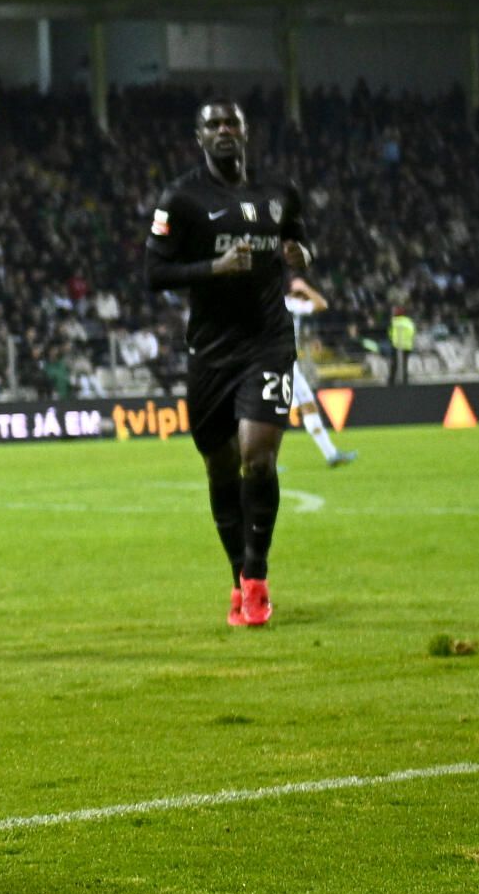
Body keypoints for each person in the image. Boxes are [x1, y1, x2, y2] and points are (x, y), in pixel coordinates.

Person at [145, 99, 312, 628]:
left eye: (231, 123)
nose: (223, 131)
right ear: (199, 137)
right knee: (220, 467)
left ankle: (257, 578)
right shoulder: (181, 198)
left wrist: (301, 257)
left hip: (268, 342)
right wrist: (214, 267)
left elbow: (298, 241)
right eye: (213, 125)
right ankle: (238, 575)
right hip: (211, 353)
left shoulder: (279, 192)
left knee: (257, 458)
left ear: (245, 132)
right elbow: (154, 273)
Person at [286, 277, 358, 467]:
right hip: (279, 364)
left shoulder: (284, 304)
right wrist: (305, 287)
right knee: (270, 413)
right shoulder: (289, 304)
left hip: (288, 364)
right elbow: (321, 304)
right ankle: (259, 460)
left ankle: (331, 454)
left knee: (308, 406)